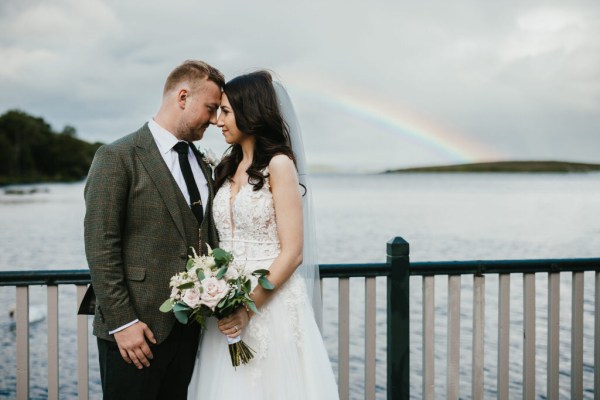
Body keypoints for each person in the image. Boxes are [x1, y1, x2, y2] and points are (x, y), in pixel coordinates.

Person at [188, 71, 339, 399]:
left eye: (226, 112)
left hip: (269, 304)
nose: (218, 121)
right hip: (225, 306)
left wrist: (246, 308)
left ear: (250, 112)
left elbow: (293, 252)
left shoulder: (279, 165)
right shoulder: (226, 167)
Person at [84, 60, 224, 400]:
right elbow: (101, 247)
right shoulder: (117, 156)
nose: (216, 119)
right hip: (135, 333)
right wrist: (123, 323)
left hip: (187, 331)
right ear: (183, 96)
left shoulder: (202, 161)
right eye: (211, 108)